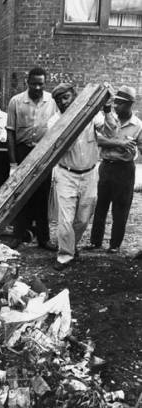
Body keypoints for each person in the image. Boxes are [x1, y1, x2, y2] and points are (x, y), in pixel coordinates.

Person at [50, 82, 117, 271]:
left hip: (89, 174)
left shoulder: (92, 116)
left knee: (84, 217)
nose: (63, 102)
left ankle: (71, 246)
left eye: (66, 97)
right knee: (65, 219)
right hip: (65, 174)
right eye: (59, 99)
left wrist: (107, 109)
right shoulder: (54, 121)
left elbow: (111, 131)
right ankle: (64, 255)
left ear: (74, 96)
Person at [6, 67, 57, 250]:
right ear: (27, 82)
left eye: (40, 84)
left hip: (43, 153)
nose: (37, 87)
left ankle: (43, 238)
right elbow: (10, 133)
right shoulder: (16, 101)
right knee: (20, 195)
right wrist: (13, 163)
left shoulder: (52, 101)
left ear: (45, 83)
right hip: (23, 151)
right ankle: (18, 235)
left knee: (43, 195)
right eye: (34, 83)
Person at [87, 85, 142, 253]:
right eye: (115, 102)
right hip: (106, 166)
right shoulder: (107, 119)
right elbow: (99, 140)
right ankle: (95, 242)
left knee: (121, 208)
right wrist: (121, 144)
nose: (116, 106)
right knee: (100, 206)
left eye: (120, 103)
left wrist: (133, 148)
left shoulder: (138, 125)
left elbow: (140, 147)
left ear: (130, 104)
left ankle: (115, 245)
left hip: (125, 169)